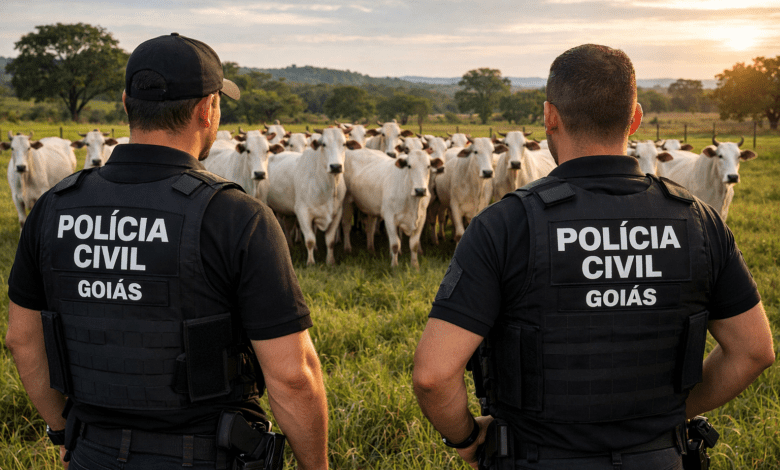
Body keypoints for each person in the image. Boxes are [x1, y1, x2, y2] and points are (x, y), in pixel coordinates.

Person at [413, 44, 774, 470]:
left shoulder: (504, 224)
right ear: (635, 118)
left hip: (534, 458)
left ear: (550, 117)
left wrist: (469, 438)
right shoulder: (699, 221)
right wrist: (667, 418)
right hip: (660, 458)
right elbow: (754, 351)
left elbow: (433, 376)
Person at [5, 33, 328, 470]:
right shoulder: (235, 216)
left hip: (90, 453)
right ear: (206, 110)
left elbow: (22, 340)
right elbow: (292, 376)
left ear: (125, 103)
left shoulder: (54, 207)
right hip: (204, 455)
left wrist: (63, 431)